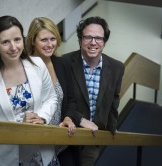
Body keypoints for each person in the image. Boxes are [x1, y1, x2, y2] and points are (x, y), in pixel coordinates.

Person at [0, 15, 58, 166]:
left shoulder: (37, 64)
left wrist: (42, 117)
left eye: (17, 39)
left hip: (43, 155)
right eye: (5, 42)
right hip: (5, 159)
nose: (13, 47)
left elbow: (51, 98)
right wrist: (20, 126)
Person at [26, 17, 98, 166]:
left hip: (63, 141)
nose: (50, 44)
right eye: (44, 40)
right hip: (37, 144)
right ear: (33, 40)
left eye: (53, 39)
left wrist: (68, 118)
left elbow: (71, 99)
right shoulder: (24, 68)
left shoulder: (62, 63)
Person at [62, 16, 125, 166]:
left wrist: (112, 126)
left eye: (98, 38)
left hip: (94, 138)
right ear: (80, 40)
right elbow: (61, 101)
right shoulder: (64, 62)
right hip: (67, 136)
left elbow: (114, 99)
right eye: (88, 37)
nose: (93, 42)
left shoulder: (117, 67)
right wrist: (80, 120)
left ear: (104, 42)